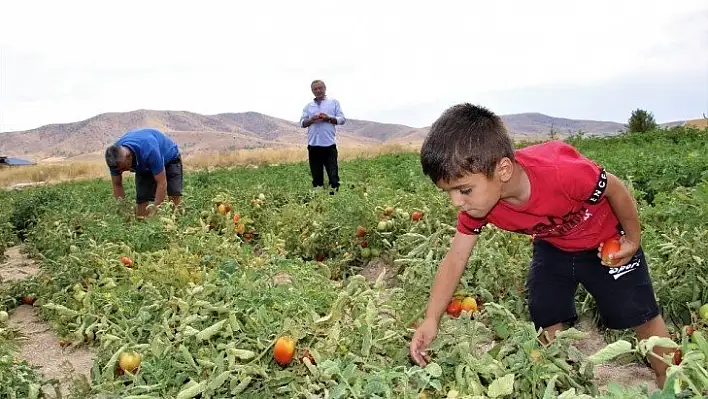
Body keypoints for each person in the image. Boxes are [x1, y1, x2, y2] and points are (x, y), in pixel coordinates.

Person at [408, 103, 672, 388]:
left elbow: (615, 188)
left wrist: (631, 239)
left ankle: (671, 378)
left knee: (641, 314)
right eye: (449, 192)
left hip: (605, 242)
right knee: (545, 310)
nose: (457, 202)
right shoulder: (479, 207)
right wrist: (431, 319)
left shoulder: (561, 172)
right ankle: (556, 377)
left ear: (503, 170)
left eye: (464, 190)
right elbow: (456, 258)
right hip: (554, 245)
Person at [104, 127, 183, 217]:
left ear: (129, 157)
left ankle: (175, 222)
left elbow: (161, 182)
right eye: (118, 170)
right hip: (143, 163)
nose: (121, 171)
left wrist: (154, 210)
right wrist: (123, 210)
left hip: (170, 157)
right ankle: (142, 225)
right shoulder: (114, 158)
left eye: (124, 168)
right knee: (142, 198)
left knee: (173, 194)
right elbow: (117, 184)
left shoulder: (149, 150)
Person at [299, 80, 346, 193]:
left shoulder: (334, 102)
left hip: (329, 145)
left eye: (320, 88)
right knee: (317, 178)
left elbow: (342, 119)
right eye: (315, 89)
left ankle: (334, 199)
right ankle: (318, 202)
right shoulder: (308, 106)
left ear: (325, 88)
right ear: (312, 91)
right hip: (313, 145)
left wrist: (328, 118)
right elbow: (302, 123)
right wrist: (312, 119)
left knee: (333, 177)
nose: (318, 91)